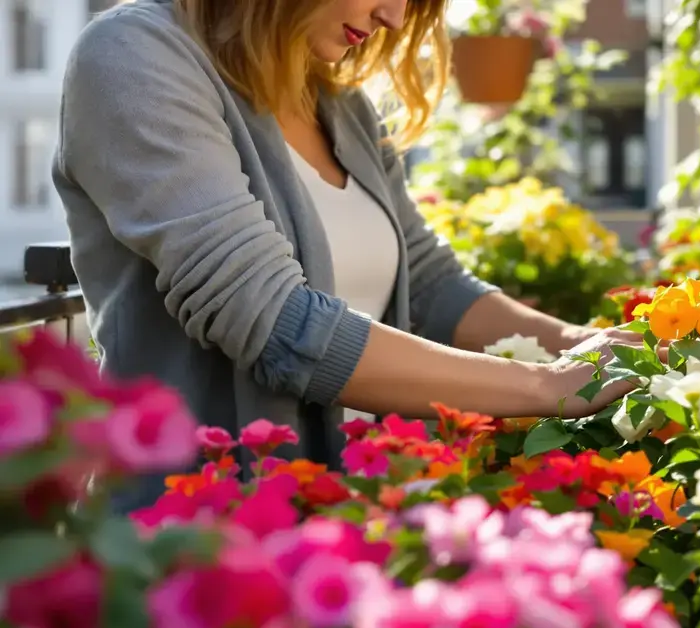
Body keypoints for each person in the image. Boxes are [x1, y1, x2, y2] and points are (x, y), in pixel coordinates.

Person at [54, 0, 642, 509]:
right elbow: (271, 320)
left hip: (346, 519)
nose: (394, 16)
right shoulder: (133, 58)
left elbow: (433, 285)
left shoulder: (337, 103)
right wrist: (547, 387)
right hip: (195, 547)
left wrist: (587, 348)